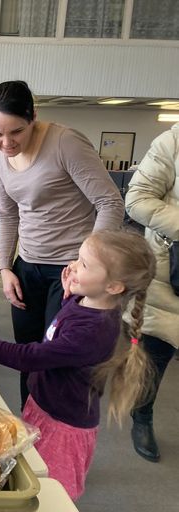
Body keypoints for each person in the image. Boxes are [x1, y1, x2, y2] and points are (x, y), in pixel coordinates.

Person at [0, 229, 156, 500]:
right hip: (43, 405)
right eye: (78, 257)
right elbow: (62, 331)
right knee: (32, 469)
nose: (72, 266)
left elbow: (32, 357)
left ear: (113, 286)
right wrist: (68, 297)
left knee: (51, 491)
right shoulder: (84, 301)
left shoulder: (94, 331)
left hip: (63, 426)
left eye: (84, 264)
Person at [0, 80, 125, 407]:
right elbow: (7, 213)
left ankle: (56, 437)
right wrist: (5, 267)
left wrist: (85, 266)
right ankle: (30, 426)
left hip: (67, 270)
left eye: (16, 132)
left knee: (55, 361)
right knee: (27, 355)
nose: (6, 143)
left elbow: (110, 203)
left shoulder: (65, 143)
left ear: (33, 116)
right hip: (27, 267)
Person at [124, 123, 179, 462]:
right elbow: (137, 199)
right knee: (155, 356)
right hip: (169, 275)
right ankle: (142, 417)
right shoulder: (172, 141)